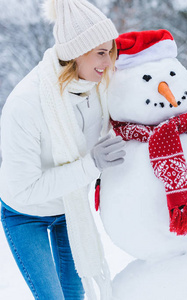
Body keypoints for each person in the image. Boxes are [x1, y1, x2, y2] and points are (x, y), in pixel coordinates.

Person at [0, 0, 123, 299]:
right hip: (25, 212)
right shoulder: (26, 105)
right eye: (101, 53)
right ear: (75, 53)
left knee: (75, 294)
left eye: (111, 51)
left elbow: (146, 100)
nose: (109, 63)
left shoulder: (99, 82)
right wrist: (90, 165)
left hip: (70, 208)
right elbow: (24, 190)